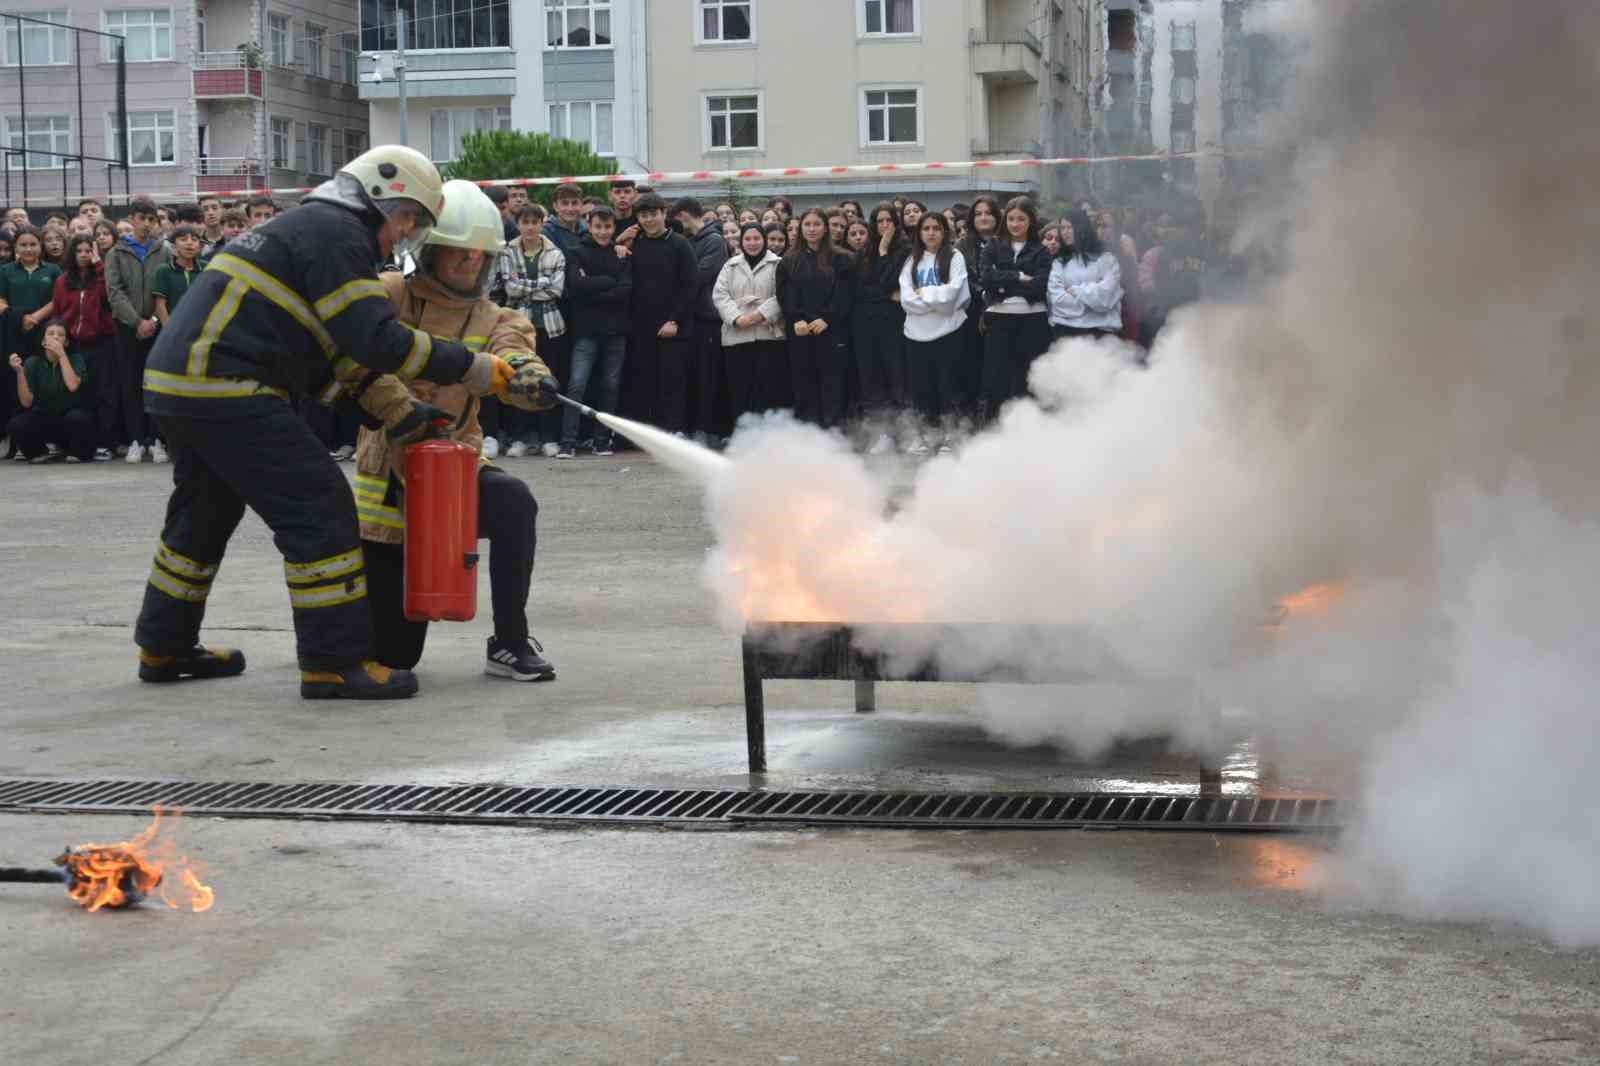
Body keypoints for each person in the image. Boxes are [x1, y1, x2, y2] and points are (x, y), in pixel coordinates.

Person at [132, 144, 523, 701]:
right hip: (229, 387)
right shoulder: (340, 234)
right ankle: (333, 663)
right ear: (382, 195)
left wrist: (399, 411)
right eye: (408, 218)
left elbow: (325, 353)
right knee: (320, 511)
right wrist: (475, 367)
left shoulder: (306, 228)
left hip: (180, 386)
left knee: (203, 515)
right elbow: (377, 339)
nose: (404, 234)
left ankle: (163, 645)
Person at [350, 179, 557, 682]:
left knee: (513, 501)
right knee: (396, 658)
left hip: (453, 466)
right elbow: (355, 361)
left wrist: (527, 377)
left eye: (479, 257)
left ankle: (509, 641)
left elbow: (513, 350)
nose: (470, 264)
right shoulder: (391, 294)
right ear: (430, 252)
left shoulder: (494, 314)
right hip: (389, 479)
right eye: (459, 254)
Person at [495, 203, 567, 457]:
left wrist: (527, 285)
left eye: (534, 222)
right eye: (525, 222)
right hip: (517, 326)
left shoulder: (555, 252)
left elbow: (556, 290)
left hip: (549, 327)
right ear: (518, 224)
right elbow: (510, 289)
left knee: (548, 381)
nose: (530, 227)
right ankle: (520, 438)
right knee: (518, 380)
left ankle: (549, 438)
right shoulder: (506, 252)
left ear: (541, 223)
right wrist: (542, 283)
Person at [104, 198, 171, 464]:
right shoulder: (116, 253)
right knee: (130, 384)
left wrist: (153, 319)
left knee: (155, 384)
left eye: (151, 219)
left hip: (156, 327)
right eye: (141, 218)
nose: (146, 224)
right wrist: (136, 321)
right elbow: (115, 292)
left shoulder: (163, 251)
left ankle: (156, 439)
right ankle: (135, 439)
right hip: (126, 329)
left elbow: (164, 290)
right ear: (131, 220)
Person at [622, 192, 696, 432]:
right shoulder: (636, 244)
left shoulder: (680, 244)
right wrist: (620, 243)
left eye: (653, 214)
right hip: (641, 327)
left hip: (673, 327)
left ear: (664, 214)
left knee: (673, 381)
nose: (649, 219)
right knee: (645, 381)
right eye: (643, 215)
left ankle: (676, 430)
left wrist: (674, 320)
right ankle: (651, 433)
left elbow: (689, 286)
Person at [899, 212, 970, 454]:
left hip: (949, 332)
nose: (931, 232)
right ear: (919, 233)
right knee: (922, 389)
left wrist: (924, 294)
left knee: (948, 385)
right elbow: (907, 300)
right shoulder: (912, 260)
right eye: (926, 228)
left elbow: (953, 295)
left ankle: (952, 434)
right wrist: (934, 299)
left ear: (944, 231)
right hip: (915, 334)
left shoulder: (955, 256)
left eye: (936, 228)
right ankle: (928, 435)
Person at [977, 196, 1053, 421]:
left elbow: (1040, 286)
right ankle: (993, 430)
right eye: (1011, 219)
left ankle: (1027, 428)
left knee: (1026, 377)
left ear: (1030, 221)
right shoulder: (993, 245)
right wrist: (1019, 276)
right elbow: (986, 277)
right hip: (1000, 319)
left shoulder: (1041, 251)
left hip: (1033, 321)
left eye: (1021, 219)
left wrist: (1003, 286)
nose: (1015, 224)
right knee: (996, 378)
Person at [564, 206, 631, 457]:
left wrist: (592, 285)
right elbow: (575, 286)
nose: (603, 232)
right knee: (576, 384)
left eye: (608, 227)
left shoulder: (622, 255)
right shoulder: (575, 252)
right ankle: (568, 441)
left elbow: (625, 292)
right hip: (586, 331)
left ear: (614, 228)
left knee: (611, 386)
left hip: (616, 331)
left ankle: (602, 440)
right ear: (589, 226)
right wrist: (608, 281)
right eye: (598, 227)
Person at [776, 208, 853, 428]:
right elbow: (785, 293)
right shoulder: (788, 260)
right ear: (800, 227)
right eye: (807, 224)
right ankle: (807, 433)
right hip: (800, 330)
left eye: (816, 224)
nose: (811, 229)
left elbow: (845, 293)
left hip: (832, 329)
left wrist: (828, 318)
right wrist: (796, 318)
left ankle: (834, 431)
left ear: (825, 227)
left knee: (833, 383)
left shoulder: (841, 258)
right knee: (804, 382)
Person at [713, 223, 787, 424]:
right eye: (748, 239)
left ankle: (770, 436)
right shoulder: (730, 265)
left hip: (769, 335)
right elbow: (720, 296)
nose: (752, 243)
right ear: (741, 241)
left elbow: (783, 294)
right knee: (739, 389)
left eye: (757, 238)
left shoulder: (779, 263)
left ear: (764, 240)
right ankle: (742, 436)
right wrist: (737, 319)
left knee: (769, 388)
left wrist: (758, 315)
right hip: (737, 337)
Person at [53, 235, 118, 458]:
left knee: (105, 393)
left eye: (88, 250)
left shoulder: (100, 277)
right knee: (79, 394)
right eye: (79, 250)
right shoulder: (62, 280)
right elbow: (58, 313)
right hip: (74, 345)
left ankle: (105, 443)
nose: (83, 254)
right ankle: (75, 442)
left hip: (101, 343)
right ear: (72, 253)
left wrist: (99, 265)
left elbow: (108, 297)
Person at [672, 197, 730, 445]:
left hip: (707, 319)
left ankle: (708, 430)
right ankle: (692, 426)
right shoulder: (687, 242)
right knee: (690, 376)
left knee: (707, 377)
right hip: (688, 319)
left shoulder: (714, 241)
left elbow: (700, 275)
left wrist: (678, 276)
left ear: (685, 215)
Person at [851, 203, 909, 449]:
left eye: (888, 220)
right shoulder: (865, 251)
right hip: (866, 324)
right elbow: (861, 288)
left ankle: (903, 432)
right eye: (879, 221)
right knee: (871, 379)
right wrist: (884, 291)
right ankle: (879, 432)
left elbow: (891, 282)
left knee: (897, 377)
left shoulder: (906, 249)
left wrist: (885, 251)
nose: (884, 226)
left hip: (893, 324)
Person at [6, 320, 96, 462]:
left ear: (66, 342)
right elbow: (26, 402)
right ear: (43, 341)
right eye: (51, 334)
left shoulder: (76, 359)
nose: (55, 337)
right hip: (45, 418)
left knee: (79, 418)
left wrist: (61, 355)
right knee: (17, 424)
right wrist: (19, 372)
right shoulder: (33, 362)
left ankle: (77, 452)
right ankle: (39, 452)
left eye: (60, 335)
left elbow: (72, 385)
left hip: (69, 418)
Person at [1047, 209, 1123, 341]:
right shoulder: (1059, 263)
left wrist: (1075, 290)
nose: (1065, 232)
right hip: (1066, 333)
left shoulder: (1106, 259)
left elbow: (1106, 298)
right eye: (1062, 228)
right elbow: (1057, 301)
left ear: (1081, 227)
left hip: (1101, 334)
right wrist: (1093, 304)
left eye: (1069, 227)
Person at [151, 225, 203, 329]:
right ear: (174, 247)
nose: (189, 242)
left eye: (194, 240)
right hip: (174, 328)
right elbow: (160, 305)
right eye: (183, 239)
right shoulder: (164, 270)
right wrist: (169, 330)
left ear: (199, 247)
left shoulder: (206, 269)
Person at [607, 179, 639, 246]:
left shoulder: (643, 220)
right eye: (617, 192)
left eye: (627, 192)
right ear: (610, 196)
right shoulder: (603, 219)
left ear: (635, 195)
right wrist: (619, 239)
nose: (622, 196)